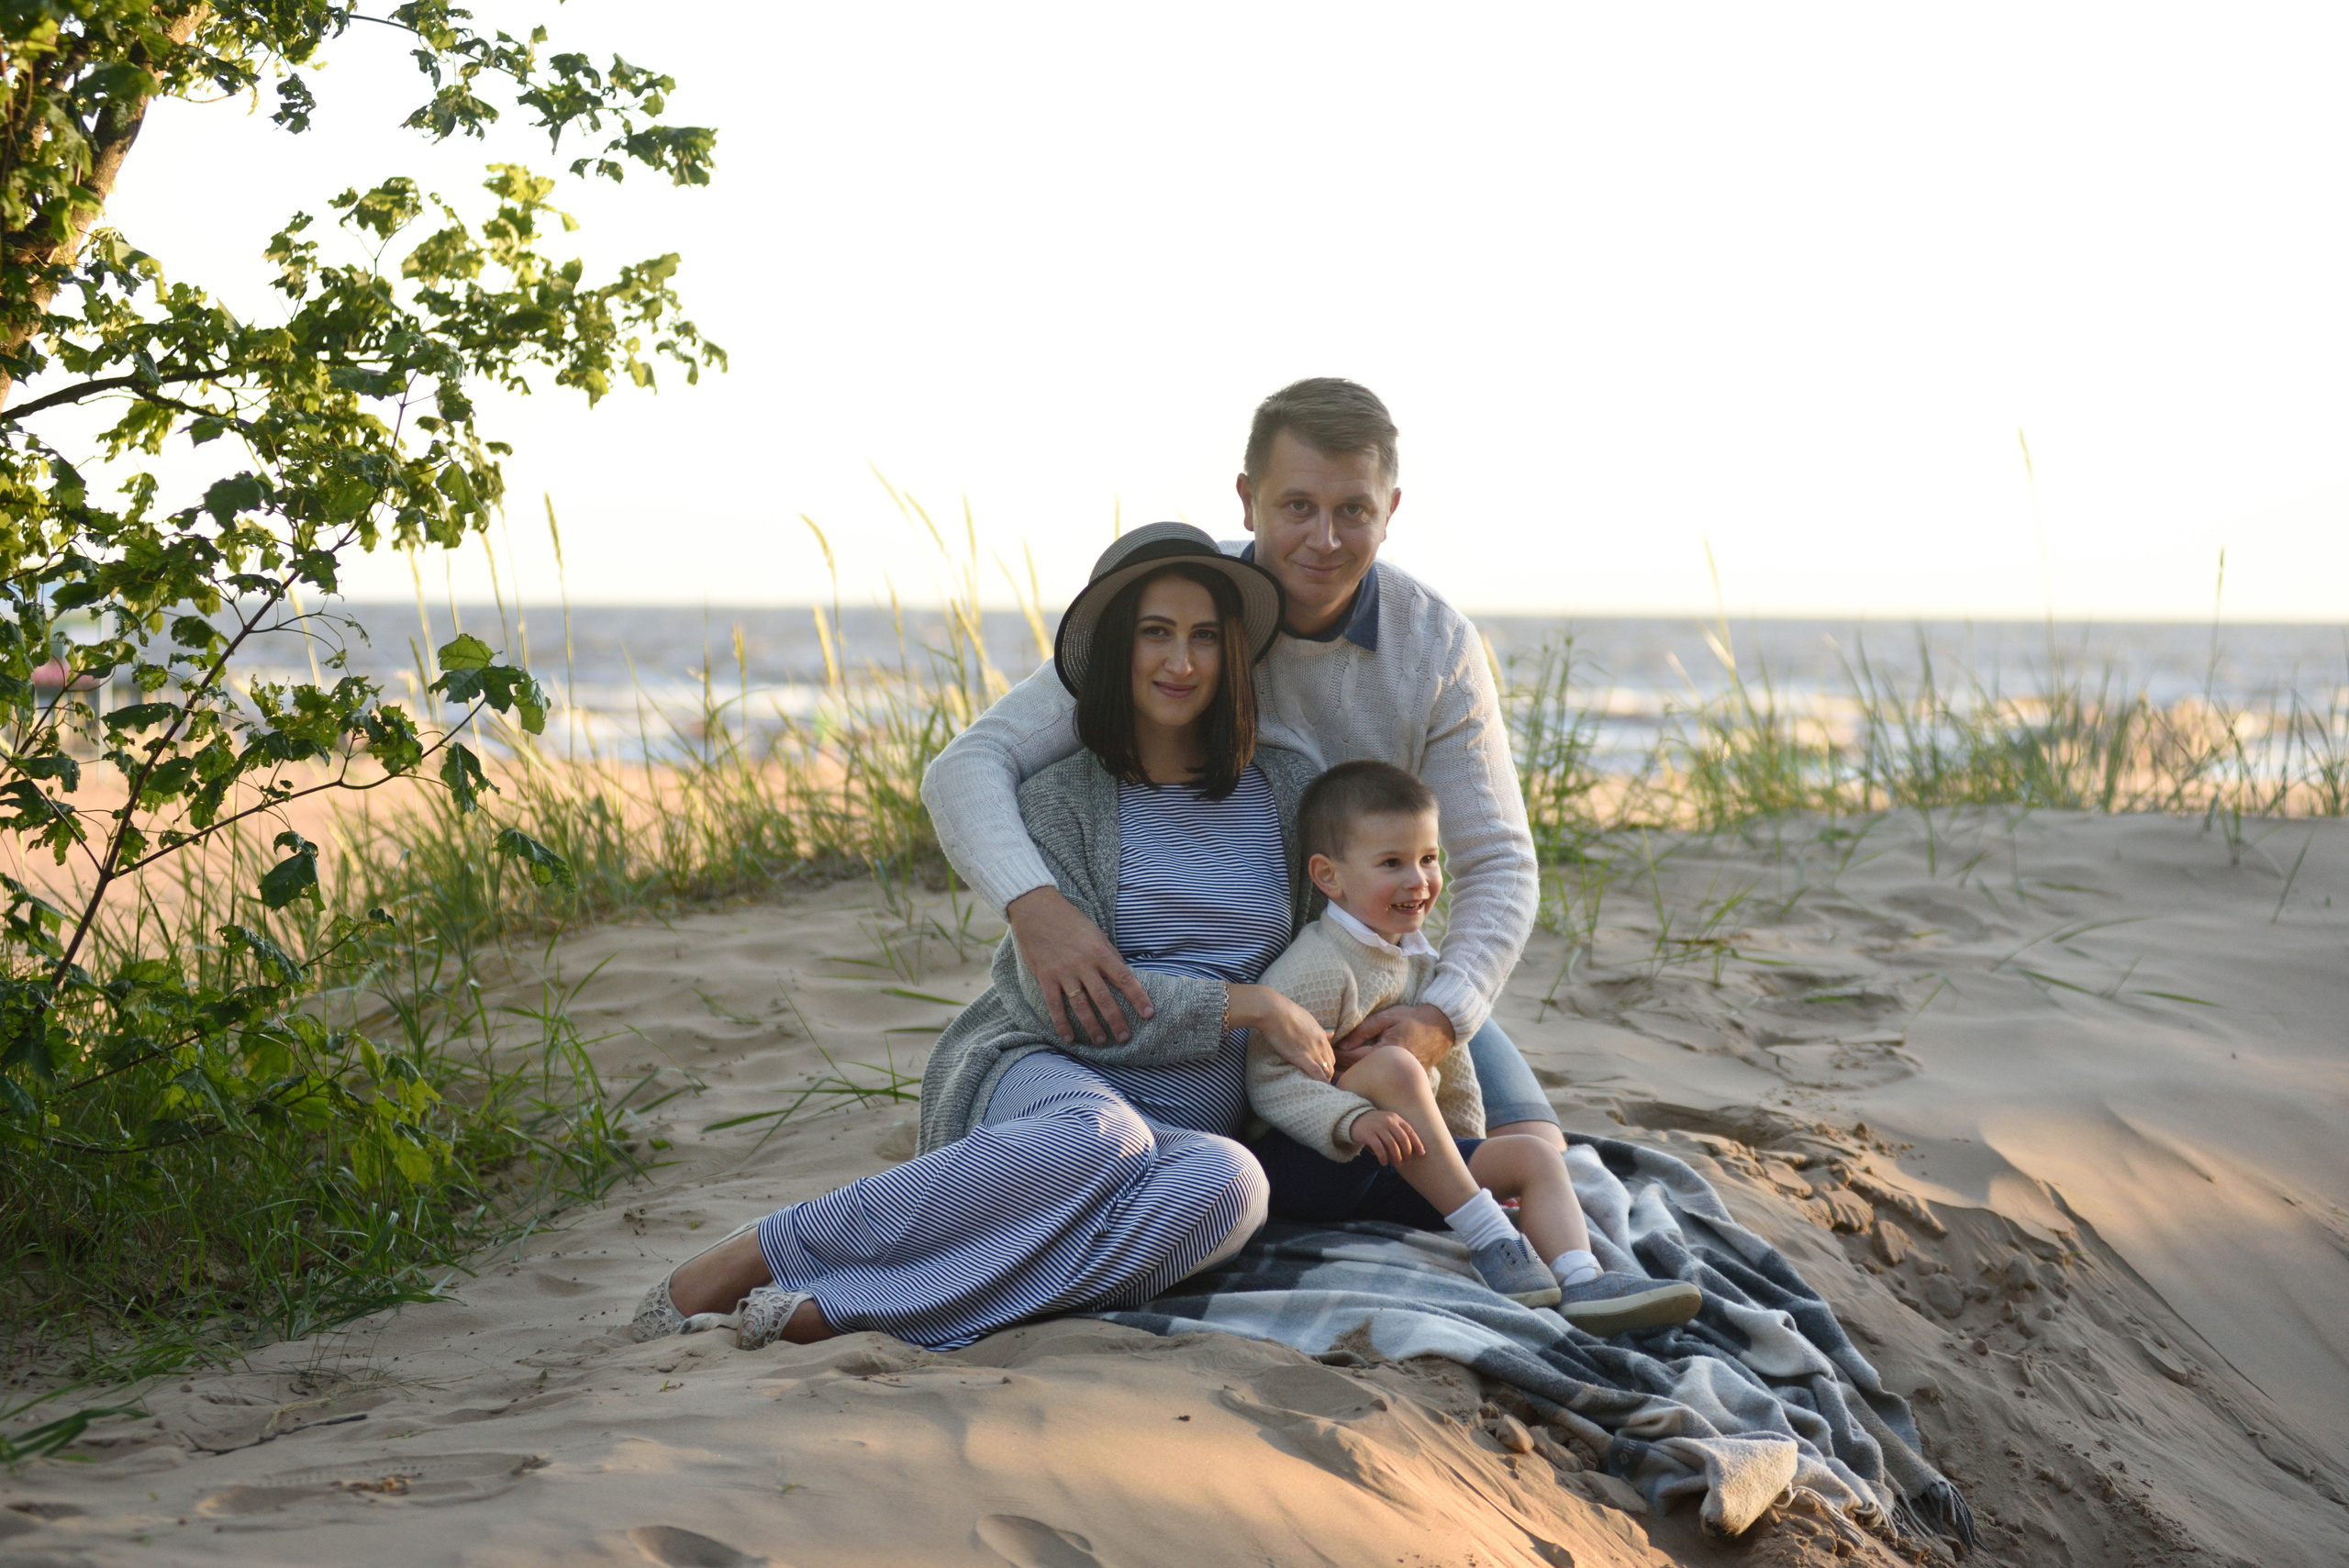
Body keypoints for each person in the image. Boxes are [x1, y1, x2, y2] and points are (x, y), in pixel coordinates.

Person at [630, 525, 1343, 1350]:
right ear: (1117, 649)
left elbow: (1349, 946)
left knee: (1232, 1184)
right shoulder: (1059, 798)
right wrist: (1246, 1004)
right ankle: (762, 1251)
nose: (1180, 662)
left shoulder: (1287, 795)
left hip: (1186, 1127)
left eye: (1204, 637)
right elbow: (1072, 1011)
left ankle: (839, 1309)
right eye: (1155, 633)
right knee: (1104, 1136)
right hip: (1050, 1080)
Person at [922, 377, 1562, 1160]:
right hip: (1222, 980)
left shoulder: (1435, 647)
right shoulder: (1187, 609)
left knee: (1531, 1149)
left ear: (1389, 511)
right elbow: (969, 764)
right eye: (1297, 506)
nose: (1324, 538)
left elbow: (1499, 860)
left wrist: (1441, 1016)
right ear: (1247, 500)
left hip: (1364, 964)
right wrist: (1036, 906)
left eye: (1353, 510)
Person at [1245, 761, 1705, 1333]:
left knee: (1534, 1157)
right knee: (1392, 1063)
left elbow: (1454, 1069)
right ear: (1329, 877)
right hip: (1314, 1164)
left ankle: (1584, 1278)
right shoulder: (1318, 964)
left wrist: (1468, 1154)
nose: (1419, 881)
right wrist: (1349, 1119)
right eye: (1392, 863)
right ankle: (1491, 1237)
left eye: (1429, 858)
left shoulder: (1418, 959)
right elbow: (1268, 1080)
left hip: (1399, 1166)